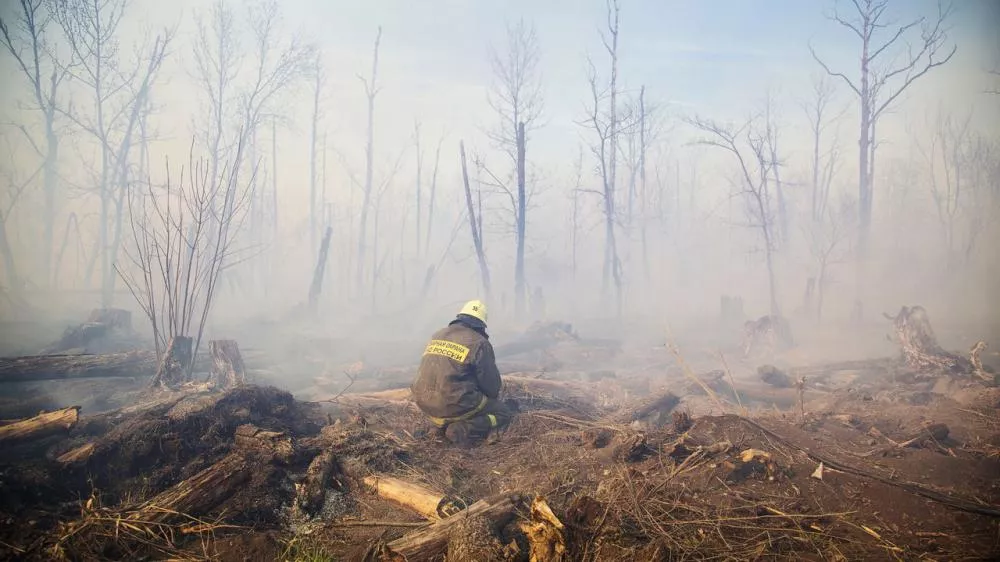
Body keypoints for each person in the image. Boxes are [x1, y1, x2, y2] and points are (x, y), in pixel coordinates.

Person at [411, 300, 514, 446]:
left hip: (423, 400)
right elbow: (491, 386)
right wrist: (489, 400)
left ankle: (439, 425)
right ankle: (462, 429)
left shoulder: (438, 335)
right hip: (453, 403)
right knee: (503, 412)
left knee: (452, 401)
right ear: (481, 325)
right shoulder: (479, 343)